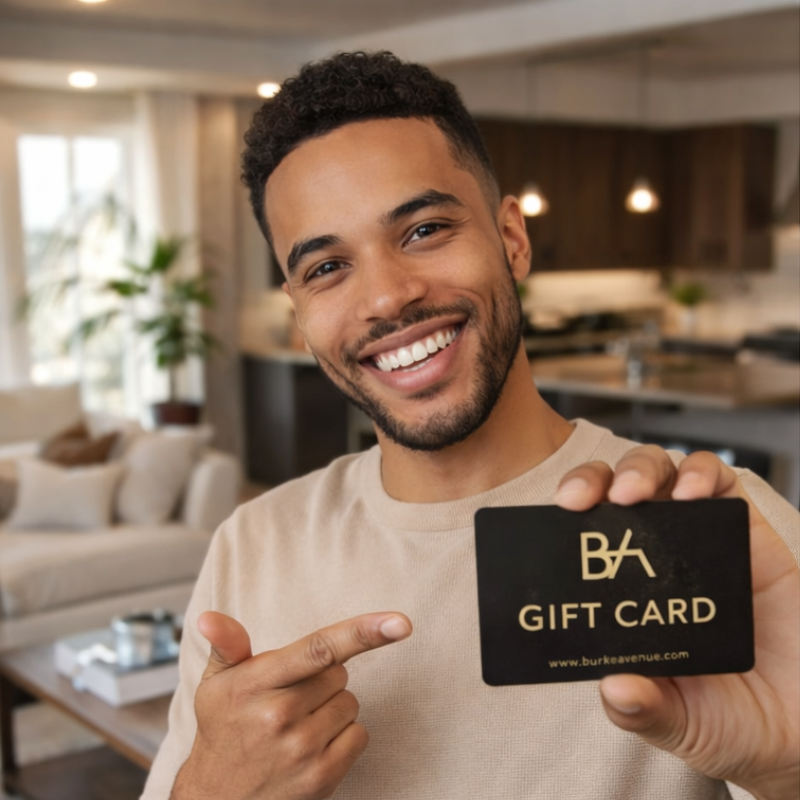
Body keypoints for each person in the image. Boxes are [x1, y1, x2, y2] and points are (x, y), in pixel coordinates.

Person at [143, 52, 799, 800]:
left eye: (423, 229)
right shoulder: (251, 545)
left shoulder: (717, 528)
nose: (388, 298)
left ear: (511, 238)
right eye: (326, 268)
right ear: (299, 315)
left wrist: (788, 773)